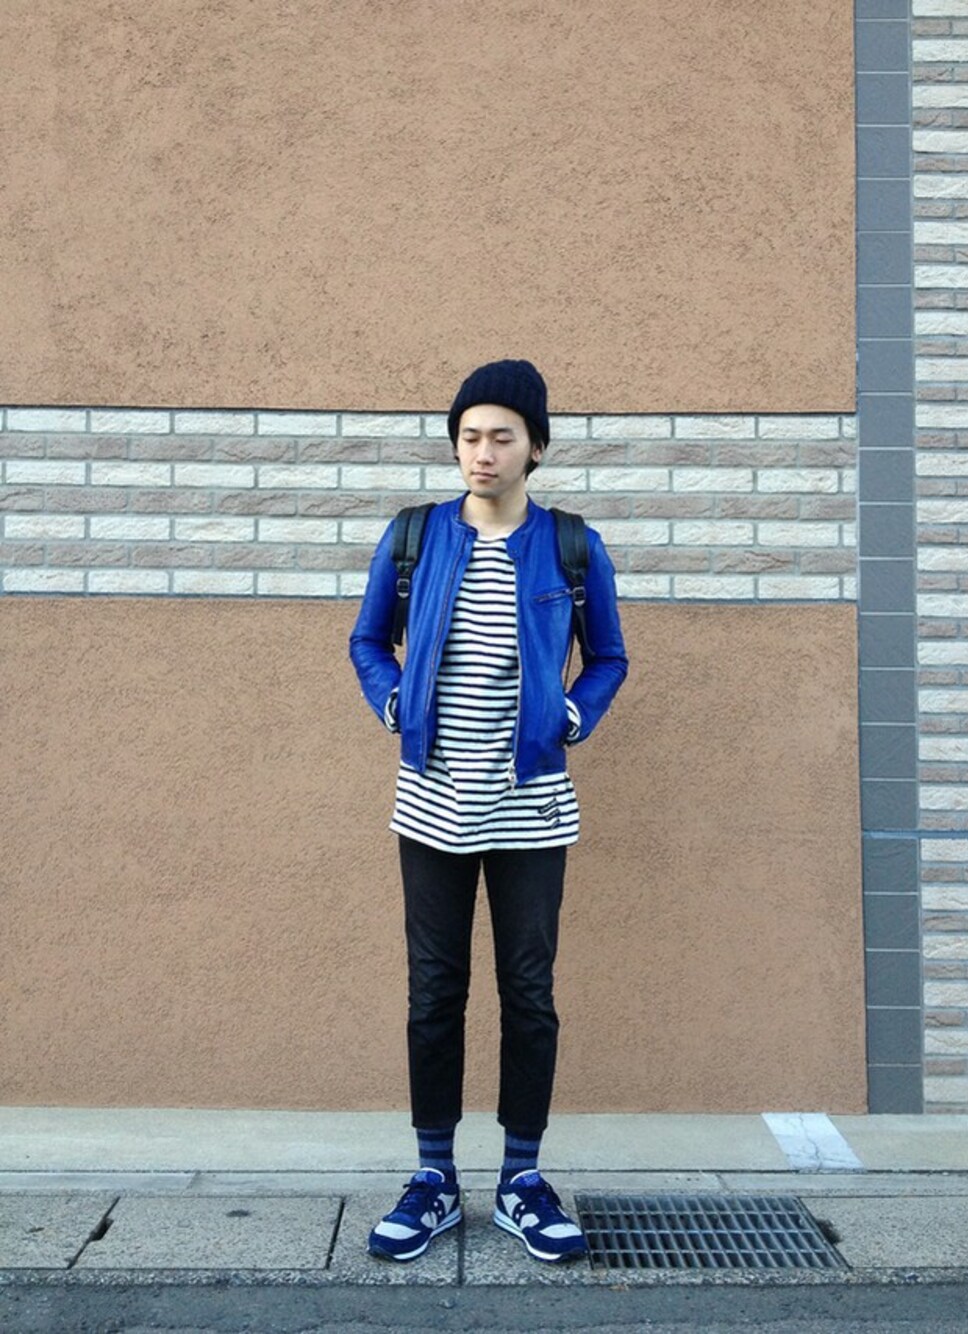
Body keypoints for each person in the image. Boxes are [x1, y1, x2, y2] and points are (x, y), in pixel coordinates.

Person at [348, 359, 628, 1264]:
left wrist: (571, 716)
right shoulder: (415, 537)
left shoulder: (572, 546)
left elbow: (609, 656)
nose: (482, 451)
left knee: (529, 994)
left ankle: (520, 1179)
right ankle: (433, 1178)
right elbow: (368, 640)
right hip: (430, 803)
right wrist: (395, 703)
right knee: (434, 991)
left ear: (535, 447)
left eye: (502, 436)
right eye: (469, 435)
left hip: (533, 809)